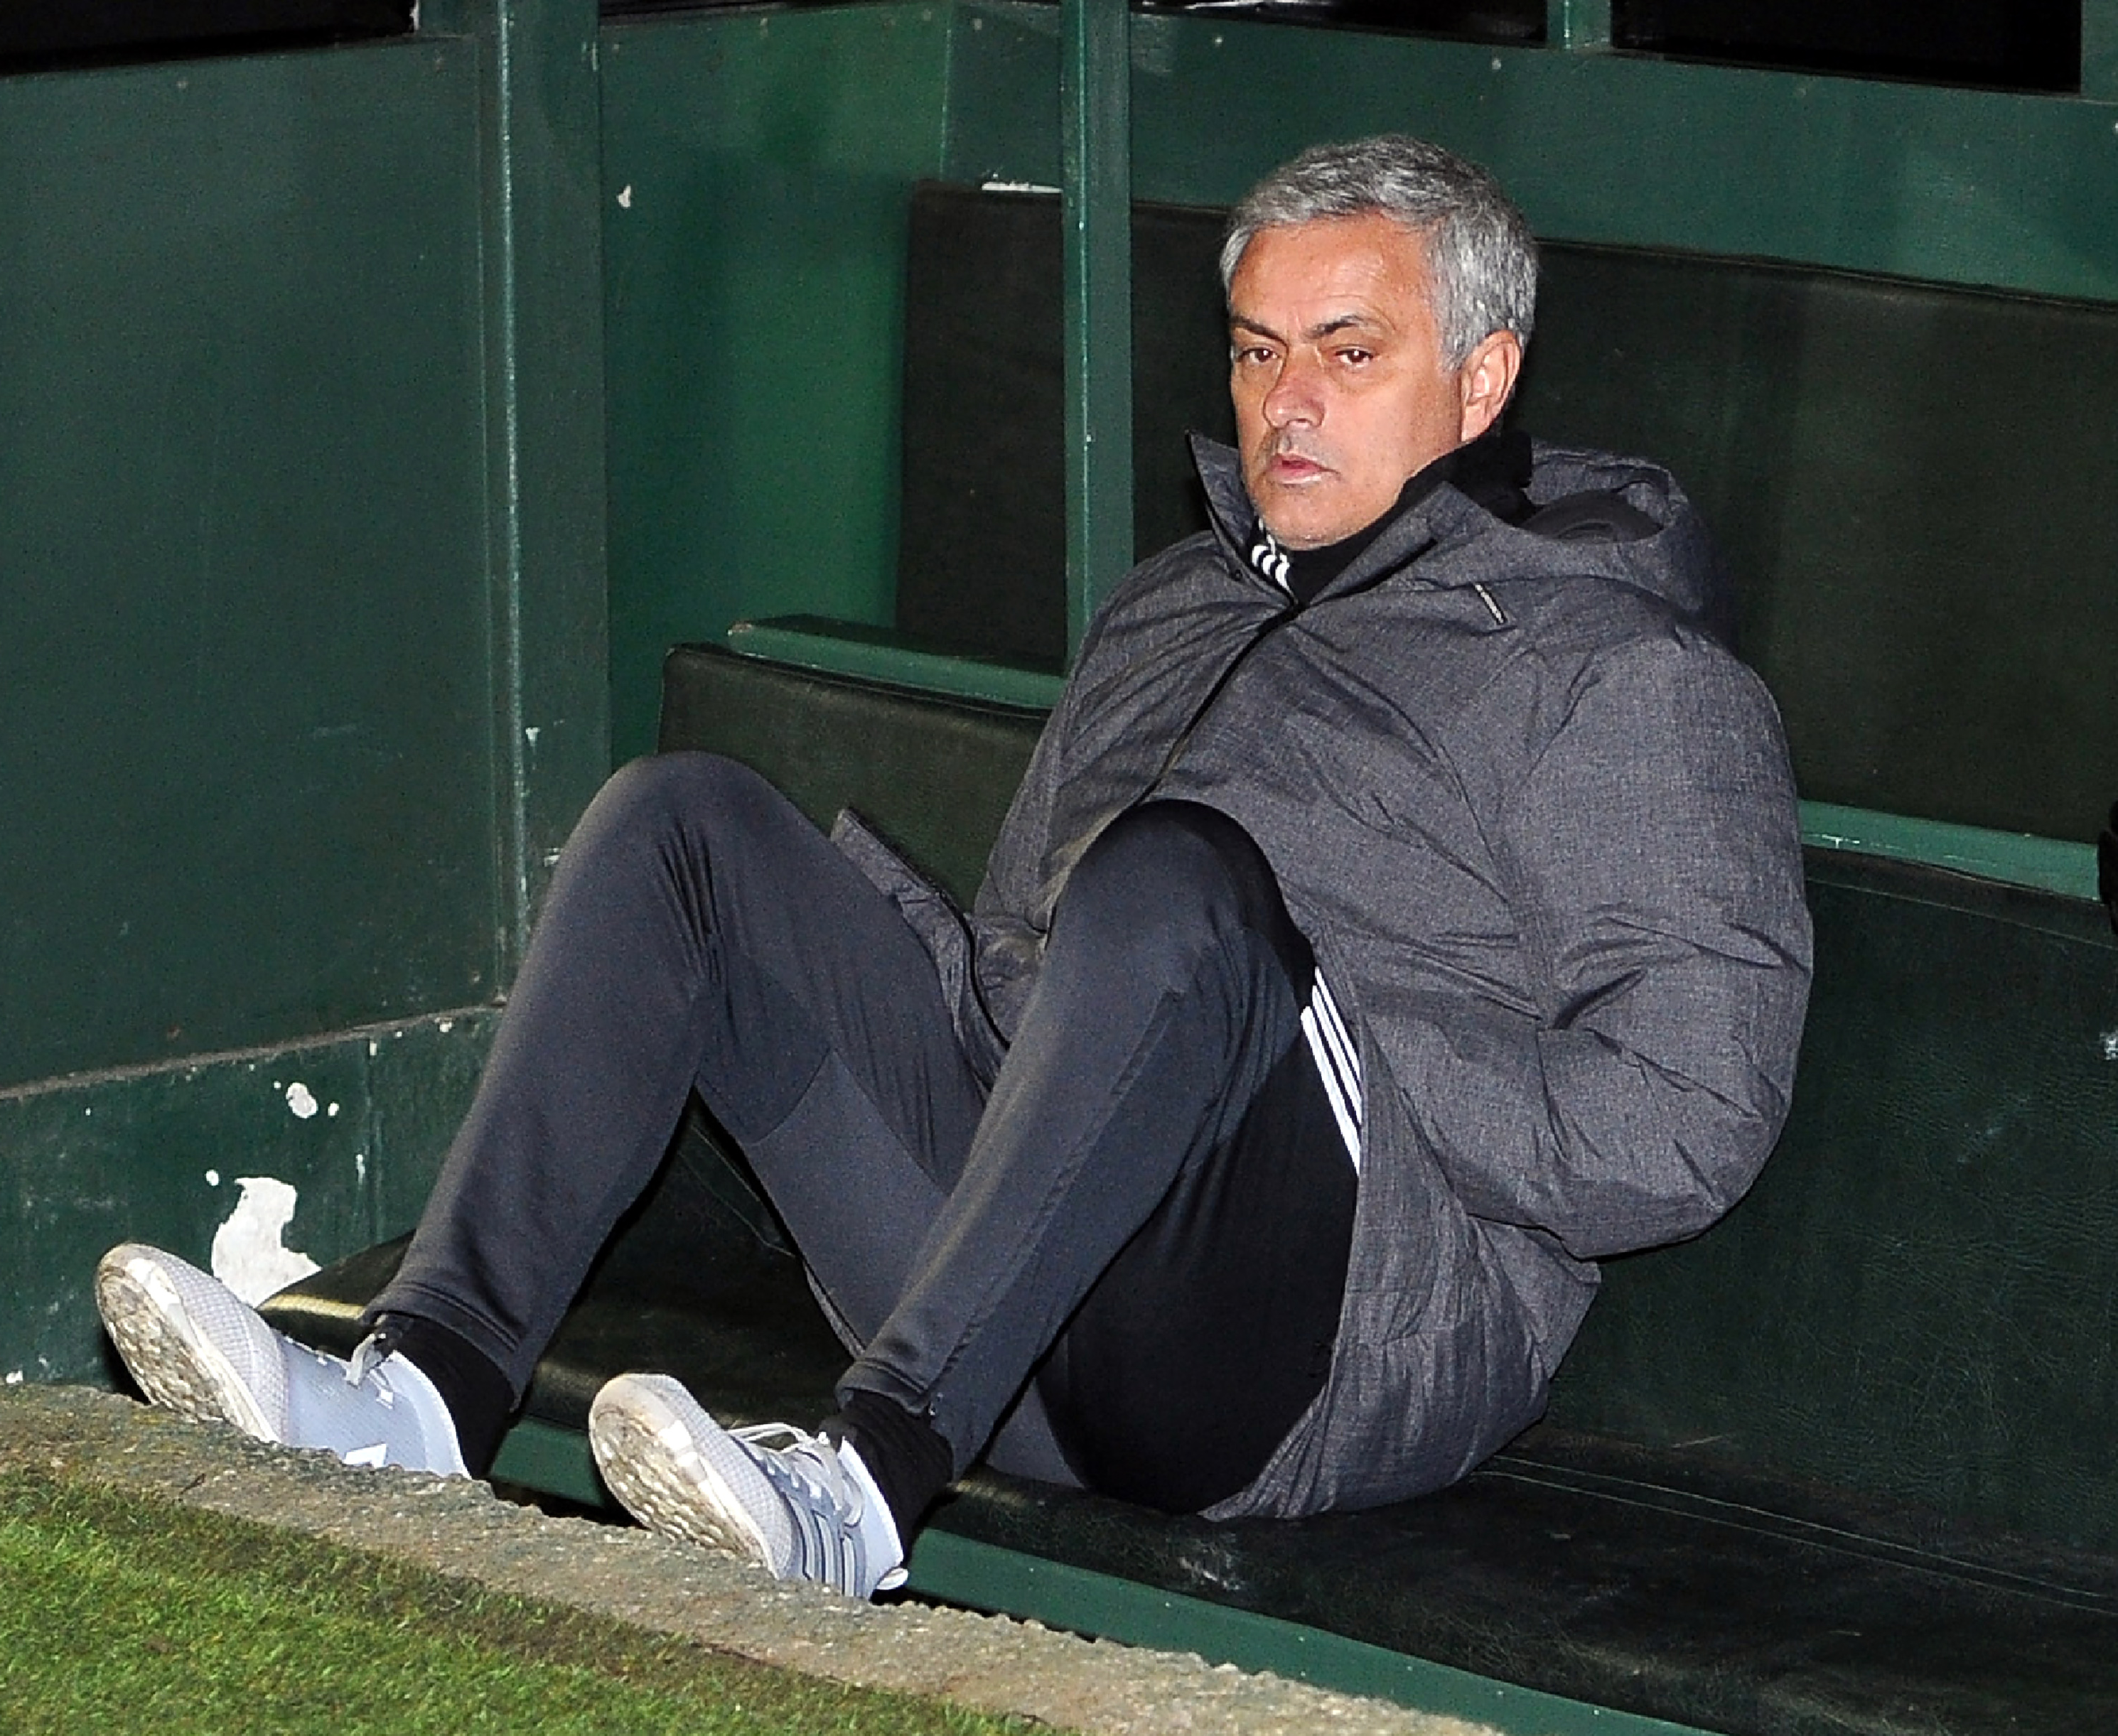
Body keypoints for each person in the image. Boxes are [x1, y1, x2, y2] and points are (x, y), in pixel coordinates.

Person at [95, 134, 1812, 1600]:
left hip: (1318, 1353)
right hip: (1025, 1301)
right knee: (678, 823)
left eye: (1346, 354)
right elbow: (1027, 961)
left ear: (1483, 374)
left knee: (1179, 886)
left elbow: (1682, 1120)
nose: (1283, 405)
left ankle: (857, 1489)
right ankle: (420, 1394)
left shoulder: (1617, 675)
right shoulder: (1167, 611)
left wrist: (1302, 1001)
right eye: (1251, 351)